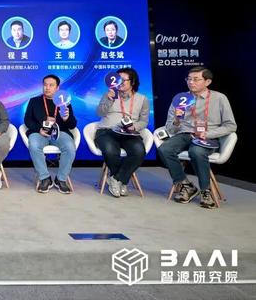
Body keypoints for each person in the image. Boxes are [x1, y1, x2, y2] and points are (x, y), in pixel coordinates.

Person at [157, 66, 236, 209]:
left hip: (208, 136)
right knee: (165, 149)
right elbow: (169, 128)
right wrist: (177, 120)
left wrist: (208, 134)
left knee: (196, 152)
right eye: (189, 79)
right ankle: (186, 185)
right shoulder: (180, 98)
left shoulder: (219, 98)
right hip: (185, 134)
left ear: (207, 82)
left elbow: (231, 126)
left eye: (196, 79)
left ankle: (206, 191)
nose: (191, 82)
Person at [95, 68, 150, 197]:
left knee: (139, 151)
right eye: (117, 80)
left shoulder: (142, 99)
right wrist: (109, 99)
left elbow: (144, 121)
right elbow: (100, 113)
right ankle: (121, 181)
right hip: (107, 131)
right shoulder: (108, 95)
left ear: (133, 82)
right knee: (110, 150)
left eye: (123, 80)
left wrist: (134, 127)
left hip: (129, 133)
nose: (119, 83)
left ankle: (117, 179)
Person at [24, 74, 77, 194]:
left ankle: (61, 179)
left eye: (51, 85)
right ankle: (45, 178)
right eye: (45, 85)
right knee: (34, 145)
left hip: (60, 133)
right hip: (40, 132)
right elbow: (27, 120)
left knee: (70, 148)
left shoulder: (65, 102)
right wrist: (39, 129)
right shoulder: (34, 101)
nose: (47, 88)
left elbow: (73, 125)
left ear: (57, 88)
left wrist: (66, 118)